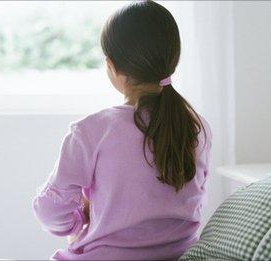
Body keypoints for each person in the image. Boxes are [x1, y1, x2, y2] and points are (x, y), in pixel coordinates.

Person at [33, 1, 212, 260]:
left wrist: (78, 220)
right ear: (172, 60)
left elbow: (50, 211)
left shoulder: (92, 131)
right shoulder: (198, 128)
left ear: (111, 65)